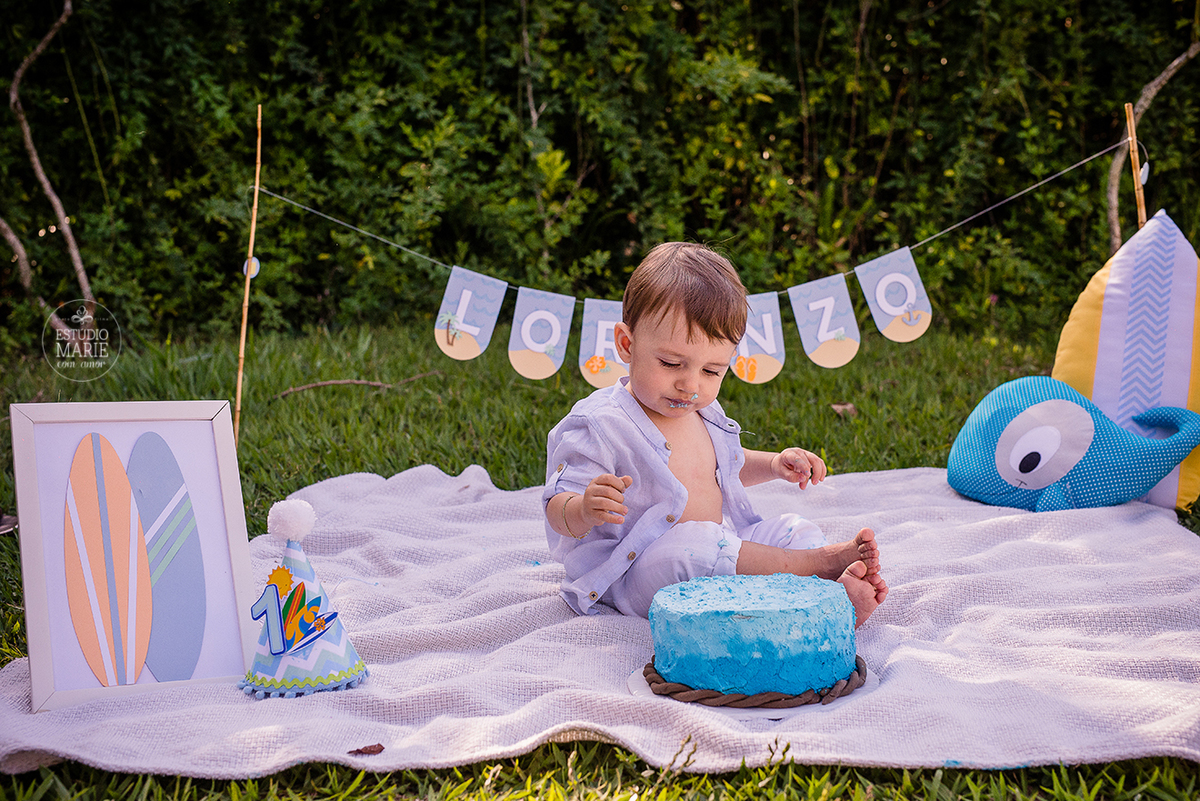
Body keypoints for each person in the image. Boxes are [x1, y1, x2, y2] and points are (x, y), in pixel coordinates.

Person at [542, 242, 888, 624]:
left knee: (793, 527)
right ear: (627, 344)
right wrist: (584, 508)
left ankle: (818, 602)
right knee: (695, 547)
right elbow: (557, 508)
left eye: (711, 371)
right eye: (672, 363)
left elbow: (724, 467)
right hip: (634, 573)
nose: (689, 385)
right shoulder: (600, 424)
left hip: (720, 548)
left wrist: (774, 464)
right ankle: (815, 570)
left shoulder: (701, 411)